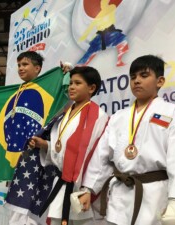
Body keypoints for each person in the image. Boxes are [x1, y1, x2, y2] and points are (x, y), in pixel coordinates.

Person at [78, 55, 175, 225]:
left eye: (144, 76)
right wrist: (88, 189)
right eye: (133, 77)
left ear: (160, 81)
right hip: (119, 195)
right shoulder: (118, 117)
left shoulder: (171, 112)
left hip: (154, 195)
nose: (136, 81)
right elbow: (102, 156)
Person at [29, 66, 109, 225]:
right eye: (71, 82)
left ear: (91, 88)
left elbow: (95, 155)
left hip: (82, 185)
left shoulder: (98, 116)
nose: (71, 86)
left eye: (77, 83)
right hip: (61, 180)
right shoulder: (64, 114)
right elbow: (63, 149)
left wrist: (87, 189)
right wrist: (45, 145)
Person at [3, 51, 73, 225]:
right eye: (18, 65)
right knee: (15, 209)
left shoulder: (47, 89)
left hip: (39, 157)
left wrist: (66, 74)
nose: (20, 68)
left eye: (25, 64)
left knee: (29, 208)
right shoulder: (16, 92)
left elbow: (67, 97)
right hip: (17, 157)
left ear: (37, 68)